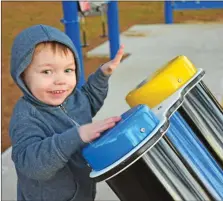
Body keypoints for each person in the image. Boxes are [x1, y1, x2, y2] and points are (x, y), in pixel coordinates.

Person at [9, 24, 124, 201]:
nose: (60, 80)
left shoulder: (71, 98)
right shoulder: (26, 116)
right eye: (47, 71)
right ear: (22, 75)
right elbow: (33, 165)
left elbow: (88, 100)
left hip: (81, 193)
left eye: (68, 70)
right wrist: (78, 135)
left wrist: (102, 75)